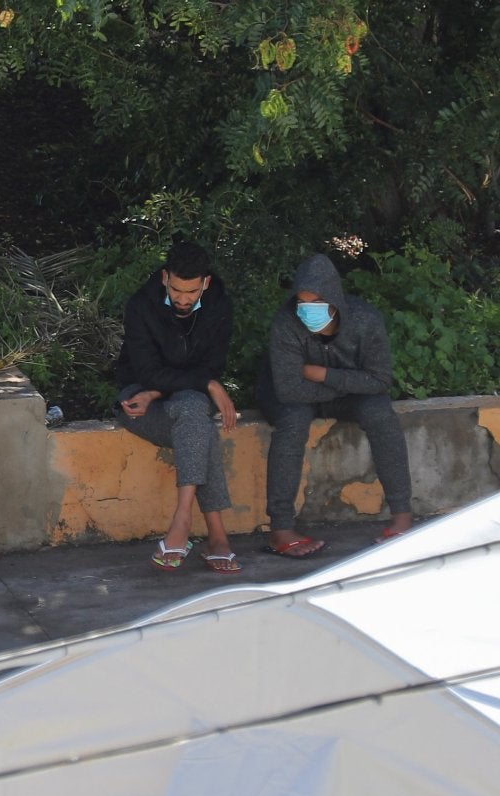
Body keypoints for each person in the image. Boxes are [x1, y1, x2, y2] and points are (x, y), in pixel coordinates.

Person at [258, 252, 413, 557]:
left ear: (333, 300)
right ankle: (281, 529)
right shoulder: (286, 322)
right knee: (292, 422)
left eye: (315, 303)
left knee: (380, 412)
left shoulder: (365, 320)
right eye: (302, 303)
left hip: (334, 389)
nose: (307, 311)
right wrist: (348, 383)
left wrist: (322, 374)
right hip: (293, 396)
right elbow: (289, 390)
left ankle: (403, 518)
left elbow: (380, 381)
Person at [113, 240, 241, 572]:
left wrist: (192, 384)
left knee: (193, 413)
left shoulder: (219, 306)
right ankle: (216, 537)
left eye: (193, 292)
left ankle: (182, 522)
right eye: (177, 290)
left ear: (206, 283)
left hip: (180, 401)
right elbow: (147, 372)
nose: (184, 300)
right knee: (197, 421)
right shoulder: (141, 306)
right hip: (138, 403)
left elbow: (212, 365)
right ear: (165, 278)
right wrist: (206, 385)